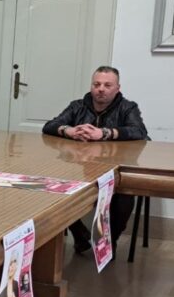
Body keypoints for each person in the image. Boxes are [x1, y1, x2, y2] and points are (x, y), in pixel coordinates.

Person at [42, 66, 147, 253]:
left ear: (117, 88)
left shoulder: (127, 107)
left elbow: (139, 131)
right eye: (96, 84)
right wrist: (68, 130)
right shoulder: (77, 106)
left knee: (124, 198)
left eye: (107, 85)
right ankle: (79, 234)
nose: (101, 89)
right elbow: (50, 125)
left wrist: (104, 133)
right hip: (79, 166)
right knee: (56, 188)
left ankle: (108, 242)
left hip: (113, 168)